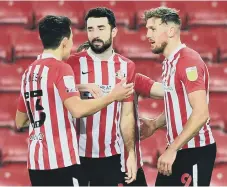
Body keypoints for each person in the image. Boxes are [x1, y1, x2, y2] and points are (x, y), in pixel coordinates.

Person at [15, 15, 134, 186]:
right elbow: (78, 110)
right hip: (61, 161)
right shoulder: (62, 68)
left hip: (36, 163)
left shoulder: (29, 72)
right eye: (71, 38)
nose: (72, 44)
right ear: (64, 42)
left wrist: (79, 87)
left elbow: (20, 121)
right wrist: (113, 96)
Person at [140, 7, 216, 186]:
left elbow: (200, 113)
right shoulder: (170, 62)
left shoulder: (188, 61)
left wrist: (172, 148)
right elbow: (180, 105)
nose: (147, 35)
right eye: (146, 29)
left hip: (195, 150)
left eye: (153, 29)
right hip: (179, 148)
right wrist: (155, 124)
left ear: (171, 31)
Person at [75, 41, 164, 186]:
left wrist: (157, 123)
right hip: (89, 164)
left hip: (129, 164)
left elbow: (168, 92)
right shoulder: (71, 86)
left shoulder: (129, 78)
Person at [66, 7, 137, 186]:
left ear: (114, 31)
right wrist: (80, 86)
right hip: (75, 154)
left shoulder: (126, 66)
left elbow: (127, 116)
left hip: (110, 157)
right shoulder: (73, 63)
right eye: (90, 29)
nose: (95, 34)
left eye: (101, 28)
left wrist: (131, 155)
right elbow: (55, 94)